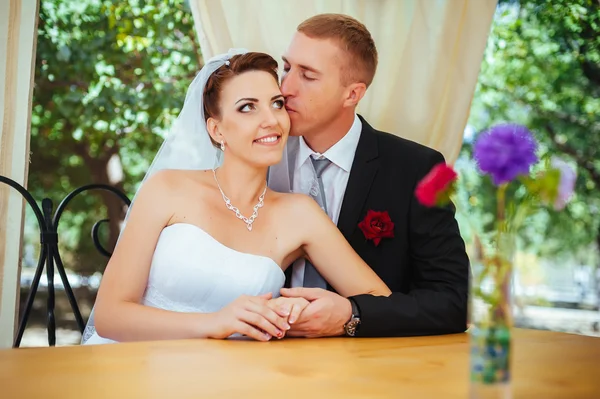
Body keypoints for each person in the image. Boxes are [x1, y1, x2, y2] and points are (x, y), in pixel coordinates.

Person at [81, 50, 390, 345]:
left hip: (234, 376)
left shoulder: (300, 215)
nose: (271, 119)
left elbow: (379, 303)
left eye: (277, 103)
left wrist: (328, 314)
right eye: (247, 107)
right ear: (216, 130)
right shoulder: (167, 189)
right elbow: (110, 316)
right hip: (132, 362)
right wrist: (215, 323)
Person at [268, 14, 470, 338]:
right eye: (288, 67)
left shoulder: (417, 169)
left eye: (308, 76)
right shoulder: (259, 157)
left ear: (352, 94)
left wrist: (353, 315)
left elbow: (452, 303)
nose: (285, 87)